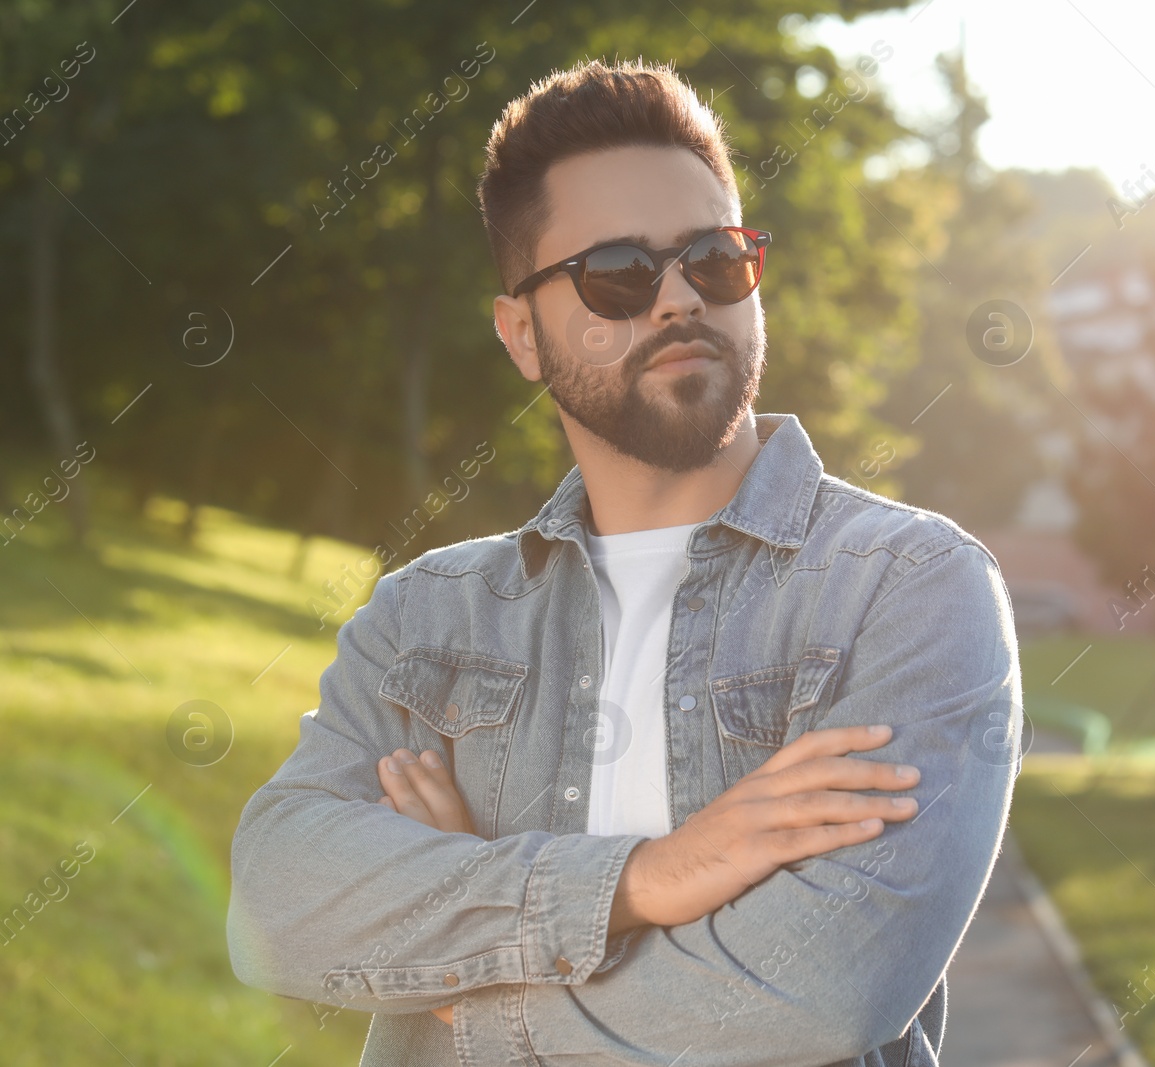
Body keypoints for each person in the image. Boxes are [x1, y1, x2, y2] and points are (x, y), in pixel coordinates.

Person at [227, 57, 1022, 1067]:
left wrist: (469, 985)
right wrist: (644, 879)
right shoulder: (428, 617)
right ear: (521, 332)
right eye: (617, 273)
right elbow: (275, 904)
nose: (679, 298)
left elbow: (825, 988)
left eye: (715, 258)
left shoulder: (903, 585)